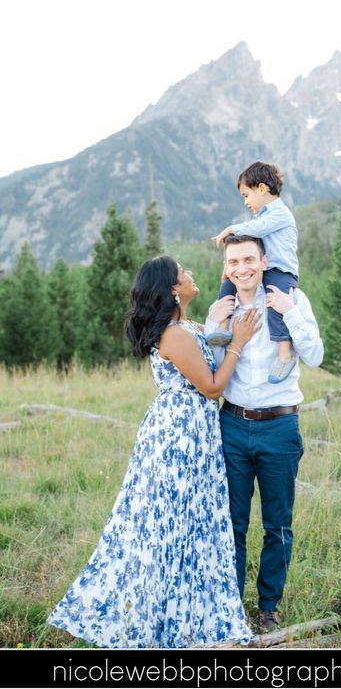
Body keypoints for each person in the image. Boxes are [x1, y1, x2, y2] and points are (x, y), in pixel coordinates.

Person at [47, 255, 261, 648]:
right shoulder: (174, 334)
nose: (190, 272)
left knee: (188, 525)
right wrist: (240, 345)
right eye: (183, 270)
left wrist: (231, 272)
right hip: (178, 439)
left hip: (193, 434)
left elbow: (213, 334)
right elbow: (212, 387)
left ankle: (181, 609)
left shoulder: (185, 326)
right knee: (170, 526)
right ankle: (155, 615)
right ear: (172, 289)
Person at [205, 235, 324, 633]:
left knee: (278, 524)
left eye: (248, 259)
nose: (242, 268)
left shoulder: (290, 297)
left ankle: (269, 605)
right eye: (233, 261)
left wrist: (290, 313)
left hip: (279, 426)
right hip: (233, 425)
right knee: (232, 523)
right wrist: (217, 326)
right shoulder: (220, 308)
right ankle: (231, 605)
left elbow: (317, 355)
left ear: (264, 260)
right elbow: (212, 371)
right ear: (226, 267)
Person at [208, 161, 299, 384]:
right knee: (228, 285)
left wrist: (232, 229)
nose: (246, 202)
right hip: (264, 267)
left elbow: (257, 230)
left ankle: (285, 355)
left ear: (261, 188)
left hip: (280, 270)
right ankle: (222, 327)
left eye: (246, 195)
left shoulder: (281, 214)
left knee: (276, 306)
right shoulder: (264, 215)